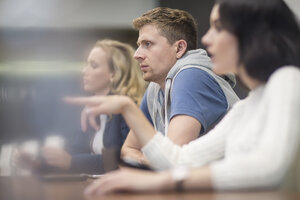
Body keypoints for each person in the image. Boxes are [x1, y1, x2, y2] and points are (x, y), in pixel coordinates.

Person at [65, 0, 300, 195]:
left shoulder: (288, 79)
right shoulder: (247, 107)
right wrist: (128, 108)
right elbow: (179, 159)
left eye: (219, 27)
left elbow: (269, 167)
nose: (207, 39)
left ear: (252, 34)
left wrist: (163, 181)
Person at [111, 7, 239, 166]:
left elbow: (172, 161)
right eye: (139, 45)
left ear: (179, 48)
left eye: (147, 44)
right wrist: (153, 162)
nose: (137, 54)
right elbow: (128, 149)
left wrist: (149, 161)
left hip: (236, 187)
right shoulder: (156, 87)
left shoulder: (191, 76)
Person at [16, 39, 146, 174]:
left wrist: (71, 162)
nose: (84, 71)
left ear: (113, 74)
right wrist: (39, 164)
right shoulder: (91, 110)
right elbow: (74, 154)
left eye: (93, 66)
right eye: (86, 65)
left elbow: (125, 158)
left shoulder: (128, 109)